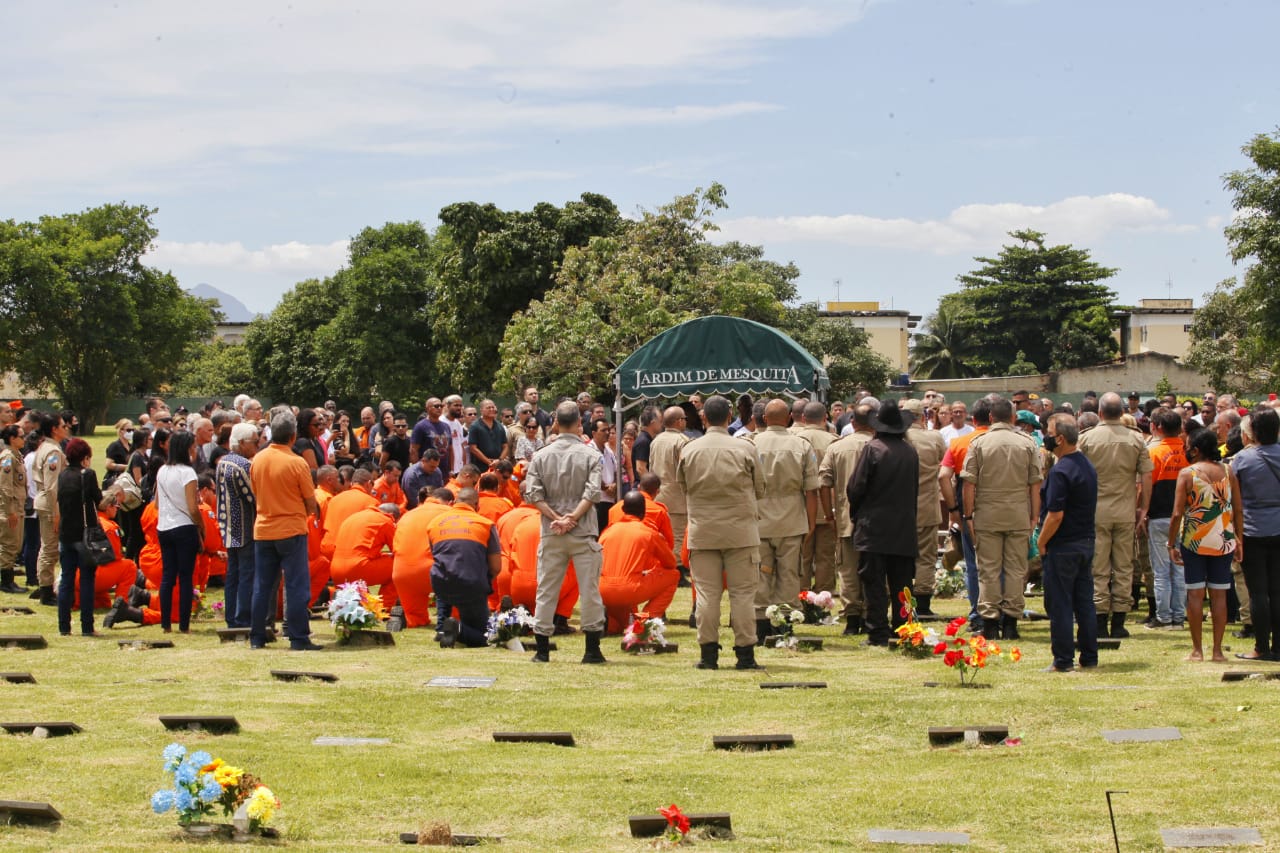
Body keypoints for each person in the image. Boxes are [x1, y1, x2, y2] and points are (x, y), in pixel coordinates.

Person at [678, 394, 766, 670]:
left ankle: (708, 655)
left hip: (703, 531)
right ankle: (745, 654)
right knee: (742, 594)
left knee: (706, 593)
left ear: (704, 417)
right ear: (730, 416)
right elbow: (760, 488)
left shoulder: (689, 449)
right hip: (741, 531)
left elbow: (683, 487)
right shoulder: (745, 448)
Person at [524, 400, 605, 663]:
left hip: (552, 531)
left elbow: (533, 494)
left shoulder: (540, 455)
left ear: (555, 423)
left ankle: (542, 650)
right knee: (589, 590)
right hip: (582, 532)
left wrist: (557, 518)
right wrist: (572, 517)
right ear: (580, 424)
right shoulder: (592, 455)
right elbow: (593, 493)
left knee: (547, 588)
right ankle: (592, 650)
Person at [961, 397, 1042, 641]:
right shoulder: (1027, 443)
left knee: (988, 570)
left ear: (991, 418)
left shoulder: (979, 443)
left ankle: (990, 623)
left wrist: (968, 515)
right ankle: (1011, 624)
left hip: (987, 514)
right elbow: (1035, 485)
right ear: (1014, 418)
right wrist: (1034, 516)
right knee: (1016, 570)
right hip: (1018, 513)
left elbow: (969, 484)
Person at [1078, 392, 1153, 639]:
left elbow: (1076, 474)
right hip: (1125, 510)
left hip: (1095, 511)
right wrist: (1144, 508)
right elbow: (1147, 476)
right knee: (1123, 566)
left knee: (1098, 567)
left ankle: (1100, 620)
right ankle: (1119, 621)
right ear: (1122, 413)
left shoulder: (1087, 439)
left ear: (1099, 413)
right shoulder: (1136, 439)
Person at [847, 400, 919, 647]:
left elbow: (856, 487)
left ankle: (877, 631)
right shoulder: (910, 451)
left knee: (874, 583)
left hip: (874, 526)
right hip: (903, 526)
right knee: (902, 583)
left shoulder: (873, 448)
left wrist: (856, 514)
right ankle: (903, 628)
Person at [1168, 427, 1242, 662]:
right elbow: (1238, 509)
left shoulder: (1187, 474)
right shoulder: (1229, 471)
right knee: (1219, 596)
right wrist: (1239, 538)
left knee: (1195, 595)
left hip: (1194, 539)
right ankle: (1217, 651)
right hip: (1223, 539)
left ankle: (1197, 650)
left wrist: (1171, 543)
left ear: (1196, 449)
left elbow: (1178, 513)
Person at [250, 409, 322, 651]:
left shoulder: (257, 459)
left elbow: (255, 491)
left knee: (262, 585)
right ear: (293, 437)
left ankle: (257, 636)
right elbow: (310, 500)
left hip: (263, 529)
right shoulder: (296, 462)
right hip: (291, 530)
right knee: (296, 586)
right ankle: (299, 638)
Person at [752, 399, 819, 642]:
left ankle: (760, 625)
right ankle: (784, 626)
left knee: (761, 572)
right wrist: (811, 523)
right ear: (790, 416)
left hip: (758, 519)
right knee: (789, 573)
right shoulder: (801, 445)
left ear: (765, 418)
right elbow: (811, 490)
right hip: (792, 518)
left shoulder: (751, 443)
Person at [1037, 413, 1100, 671]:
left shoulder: (1060, 471)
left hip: (1063, 545)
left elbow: (1055, 514)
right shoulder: (1086, 464)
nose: (1046, 437)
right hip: (1085, 541)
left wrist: (1041, 542)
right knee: (1084, 601)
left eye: (1049, 432)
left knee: (1060, 603)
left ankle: (1063, 660)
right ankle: (1089, 656)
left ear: (1060, 439)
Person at [819, 402, 875, 634]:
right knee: (874, 570)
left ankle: (852, 618)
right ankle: (872, 613)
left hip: (845, 519)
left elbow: (824, 482)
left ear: (852, 423)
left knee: (848, 571)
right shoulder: (881, 445)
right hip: (876, 521)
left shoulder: (837, 447)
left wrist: (829, 514)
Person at [1232, 408, 1280, 661]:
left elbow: (1235, 504)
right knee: (1278, 590)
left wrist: (1236, 536)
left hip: (1252, 529)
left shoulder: (1241, 460)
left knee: (1258, 593)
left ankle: (1261, 646)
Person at [428, 488, 501, 648]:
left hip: (440, 584)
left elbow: (438, 557)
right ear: (476, 505)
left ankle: (441, 628)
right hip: (471, 584)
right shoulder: (486, 524)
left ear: (454, 502)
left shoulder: (434, 523)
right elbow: (496, 567)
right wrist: (484, 581)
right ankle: (458, 630)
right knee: (486, 637)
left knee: (446, 572)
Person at [598, 491, 680, 632]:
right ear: (643, 512)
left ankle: (610, 623)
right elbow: (671, 564)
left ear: (623, 510)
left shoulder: (606, 533)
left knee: (617, 627)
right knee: (674, 575)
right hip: (630, 589)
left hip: (603, 590)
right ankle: (646, 621)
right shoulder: (648, 533)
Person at [56, 438, 104, 636]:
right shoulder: (88, 474)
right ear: (85, 458)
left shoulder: (63, 475)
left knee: (66, 579)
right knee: (86, 580)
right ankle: (87, 625)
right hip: (85, 534)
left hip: (66, 533)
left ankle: (64, 626)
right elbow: (99, 501)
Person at [1146, 408, 1188, 630]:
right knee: (1180, 568)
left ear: (1158, 427)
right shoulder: (1189, 451)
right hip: (1185, 518)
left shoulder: (1153, 452)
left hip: (1159, 516)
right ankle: (1179, 617)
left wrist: (1142, 512)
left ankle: (1164, 617)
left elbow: (1146, 488)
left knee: (1161, 570)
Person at [155, 430, 202, 633]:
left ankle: (166, 623)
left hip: (164, 526)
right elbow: (193, 507)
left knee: (168, 576)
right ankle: (184, 624)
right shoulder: (187, 473)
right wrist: (200, 525)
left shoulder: (162, 470)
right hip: (184, 526)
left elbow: (156, 503)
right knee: (185, 577)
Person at [390, 488, 454, 630]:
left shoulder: (407, 515)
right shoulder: (450, 514)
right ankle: (453, 619)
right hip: (435, 572)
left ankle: (407, 619)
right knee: (457, 612)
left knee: (415, 616)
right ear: (451, 502)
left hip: (403, 573)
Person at [216, 423, 258, 628]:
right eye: (255, 442)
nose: (257, 446)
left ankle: (231, 616)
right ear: (242, 443)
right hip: (245, 527)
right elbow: (254, 497)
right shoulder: (243, 465)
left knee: (233, 575)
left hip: (229, 527)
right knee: (246, 574)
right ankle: (243, 618)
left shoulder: (223, 461)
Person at [796, 401, 837, 594]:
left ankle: (802, 595)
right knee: (826, 556)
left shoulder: (794, 439)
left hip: (801, 506)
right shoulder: (834, 440)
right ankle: (823, 597)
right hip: (827, 506)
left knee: (802, 555)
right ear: (825, 418)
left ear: (803, 418)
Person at [331, 503, 400, 613]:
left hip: (335, 571)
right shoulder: (385, 520)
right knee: (400, 565)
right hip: (358, 570)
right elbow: (398, 550)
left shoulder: (353, 517)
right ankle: (384, 609)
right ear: (392, 515)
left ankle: (355, 606)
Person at [30, 412, 68, 606]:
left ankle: (47, 587)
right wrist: (56, 513)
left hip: (47, 502)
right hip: (51, 505)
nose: (66, 428)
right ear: (54, 429)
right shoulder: (53, 452)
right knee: (50, 548)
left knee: (50, 547)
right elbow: (53, 485)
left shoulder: (48, 447)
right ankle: (45, 590)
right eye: (63, 425)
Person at [650, 407, 691, 576]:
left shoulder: (656, 440)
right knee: (678, 535)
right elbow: (687, 469)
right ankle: (678, 570)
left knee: (663, 535)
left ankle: (665, 566)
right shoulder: (682, 441)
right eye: (684, 418)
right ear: (679, 421)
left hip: (659, 494)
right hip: (677, 495)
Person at [0, 424, 28, 593]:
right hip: (10, 509)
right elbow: (5, 487)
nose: (24, 439)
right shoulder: (7, 458)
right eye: (21, 436)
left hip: (17, 507)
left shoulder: (17, 456)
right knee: (9, 545)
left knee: (14, 545)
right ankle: (6, 581)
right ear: (12, 439)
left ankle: (8, 578)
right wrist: (9, 511)